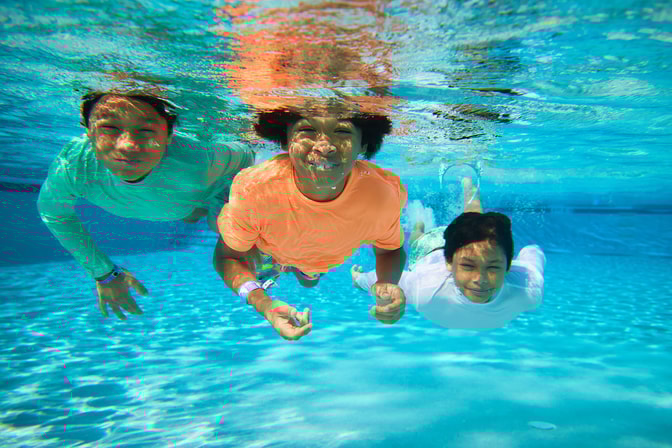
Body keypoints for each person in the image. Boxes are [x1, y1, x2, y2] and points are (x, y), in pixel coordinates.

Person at [38, 89, 255, 320]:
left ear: (169, 136)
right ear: (88, 131)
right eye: (109, 128)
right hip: (178, 203)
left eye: (145, 130)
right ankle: (194, 213)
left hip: (200, 195)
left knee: (220, 225)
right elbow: (54, 213)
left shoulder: (197, 160)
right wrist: (104, 274)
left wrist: (227, 218)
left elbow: (246, 155)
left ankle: (202, 213)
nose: (127, 145)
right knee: (193, 215)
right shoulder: (75, 164)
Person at [213, 104, 408, 341]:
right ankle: (283, 267)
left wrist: (387, 284)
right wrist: (265, 305)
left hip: (320, 259)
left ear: (363, 144)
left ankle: (299, 271)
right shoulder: (256, 190)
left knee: (308, 282)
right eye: (307, 130)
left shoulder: (381, 194)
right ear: (285, 142)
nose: (324, 146)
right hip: (267, 249)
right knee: (262, 270)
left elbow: (390, 248)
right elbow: (229, 256)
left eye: (343, 132)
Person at [351, 177, 546, 330]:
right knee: (418, 238)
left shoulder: (528, 290)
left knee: (478, 228)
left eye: (493, 267)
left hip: (459, 247)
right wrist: (357, 278)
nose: (480, 279)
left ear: (508, 266)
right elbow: (380, 281)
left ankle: (466, 185)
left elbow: (534, 254)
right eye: (468, 267)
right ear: (449, 264)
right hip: (428, 251)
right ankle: (422, 224)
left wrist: (360, 279)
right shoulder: (425, 289)